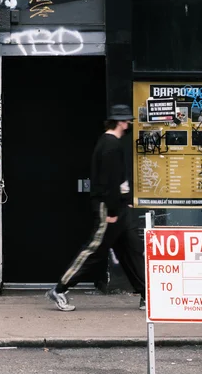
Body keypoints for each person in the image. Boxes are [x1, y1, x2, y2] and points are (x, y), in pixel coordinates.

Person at [47, 104, 145, 312]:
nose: (129, 124)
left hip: (118, 207)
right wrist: (112, 211)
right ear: (120, 122)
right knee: (94, 250)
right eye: (127, 121)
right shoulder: (110, 145)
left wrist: (124, 201)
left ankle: (146, 295)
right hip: (109, 208)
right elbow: (109, 182)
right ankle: (60, 288)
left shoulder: (110, 143)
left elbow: (117, 180)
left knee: (131, 250)